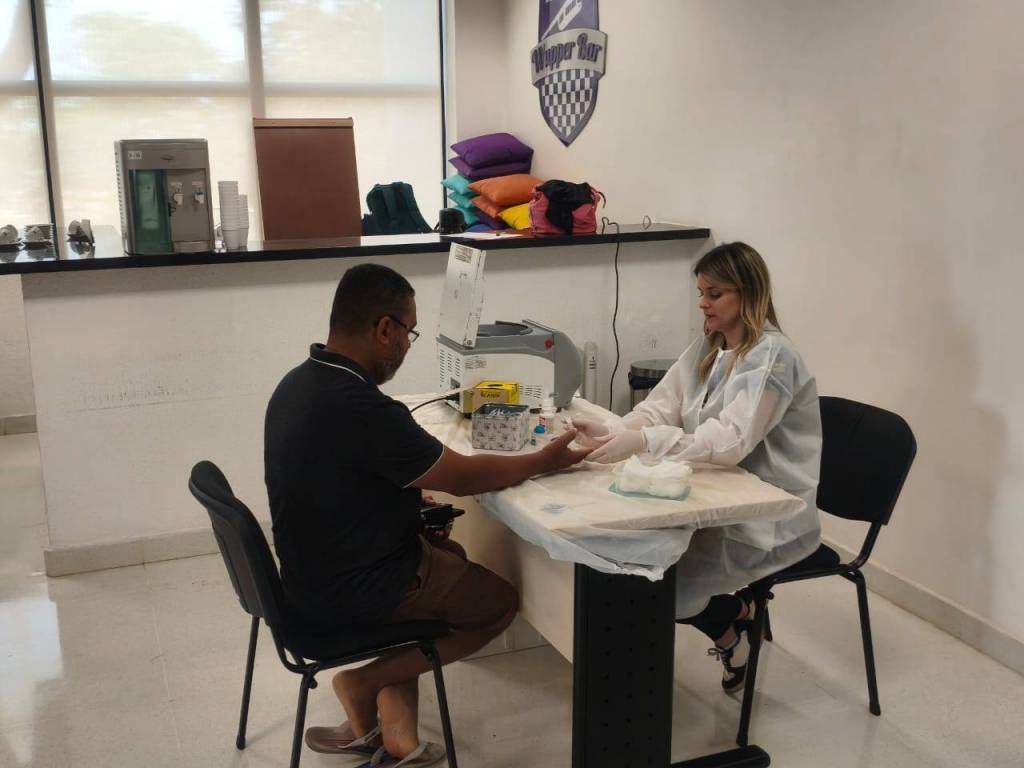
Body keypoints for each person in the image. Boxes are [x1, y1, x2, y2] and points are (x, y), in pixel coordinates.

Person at [264, 263, 591, 768]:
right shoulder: (363, 408)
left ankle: (396, 732)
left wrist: (407, 506)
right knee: (496, 604)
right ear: (384, 328)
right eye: (409, 332)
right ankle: (362, 683)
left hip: (309, 580)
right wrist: (543, 460)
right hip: (353, 591)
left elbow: (338, 482)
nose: (407, 345)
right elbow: (461, 476)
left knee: (449, 552)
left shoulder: (299, 384)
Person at [574, 241, 822, 693]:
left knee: (666, 590)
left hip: (767, 517)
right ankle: (740, 611)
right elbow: (662, 406)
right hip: (714, 495)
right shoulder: (711, 345)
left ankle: (733, 635)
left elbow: (729, 442)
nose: (703, 304)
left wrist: (644, 442)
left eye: (715, 294)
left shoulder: (773, 358)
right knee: (636, 560)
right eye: (701, 293)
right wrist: (615, 432)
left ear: (748, 293)